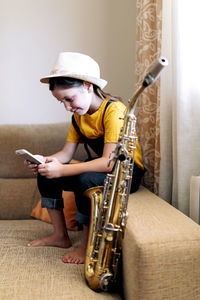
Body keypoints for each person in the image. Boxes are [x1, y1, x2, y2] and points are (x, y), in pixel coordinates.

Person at [25, 52, 144, 264]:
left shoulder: (114, 110)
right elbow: (66, 154)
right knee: (47, 175)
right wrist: (44, 161)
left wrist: (62, 169)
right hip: (103, 170)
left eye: (69, 99)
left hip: (126, 173)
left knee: (85, 180)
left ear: (88, 85)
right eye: (62, 102)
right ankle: (60, 236)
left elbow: (109, 161)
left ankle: (86, 245)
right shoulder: (78, 117)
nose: (68, 107)